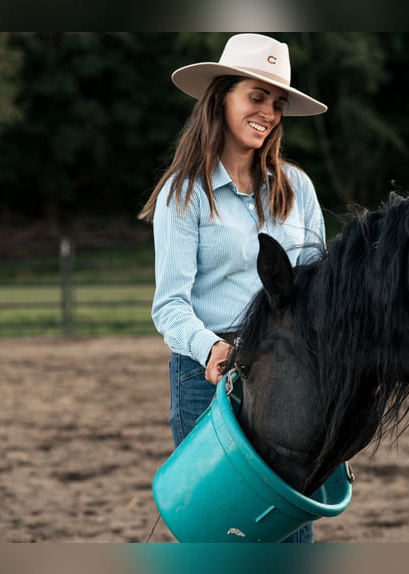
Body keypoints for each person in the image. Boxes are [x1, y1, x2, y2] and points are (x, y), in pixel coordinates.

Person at [138, 33, 327, 543]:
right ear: (221, 97)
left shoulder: (298, 190)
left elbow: (316, 290)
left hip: (289, 375)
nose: (268, 112)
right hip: (210, 379)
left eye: (277, 103)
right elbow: (171, 306)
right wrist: (213, 348)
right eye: (256, 96)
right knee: (225, 531)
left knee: (289, 524)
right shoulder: (185, 194)